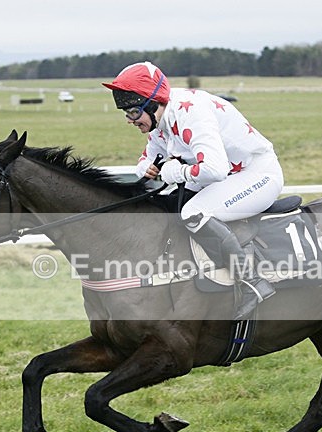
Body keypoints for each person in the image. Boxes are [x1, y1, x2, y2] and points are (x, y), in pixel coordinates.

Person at [103, 62, 285, 320]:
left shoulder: (191, 113)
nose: (130, 121)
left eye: (134, 112)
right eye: (126, 113)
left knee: (194, 212)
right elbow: (146, 159)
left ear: (154, 104)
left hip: (257, 175)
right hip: (227, 177)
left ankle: (252, 282)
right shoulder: (162, 117)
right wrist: (148, 168)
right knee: (164, 204)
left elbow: (214, 169)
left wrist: (175, 172)